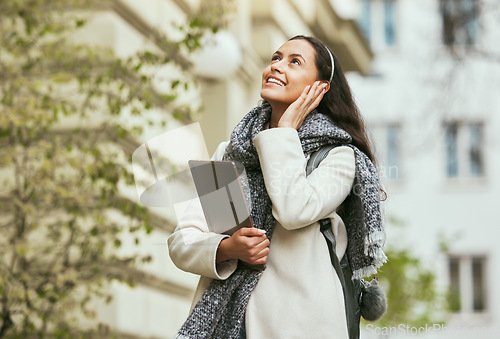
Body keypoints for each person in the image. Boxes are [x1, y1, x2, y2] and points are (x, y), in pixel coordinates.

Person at [168, 35, 386, 338]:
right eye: (275, 58)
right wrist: (226, 248)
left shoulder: (337, 157)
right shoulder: (231, 155)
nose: (276, 67)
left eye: (294, 62)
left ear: (320, 88)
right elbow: (182, 241)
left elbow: (293, 209)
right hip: (231, 325)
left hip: (304, 325)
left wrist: (284, 132)